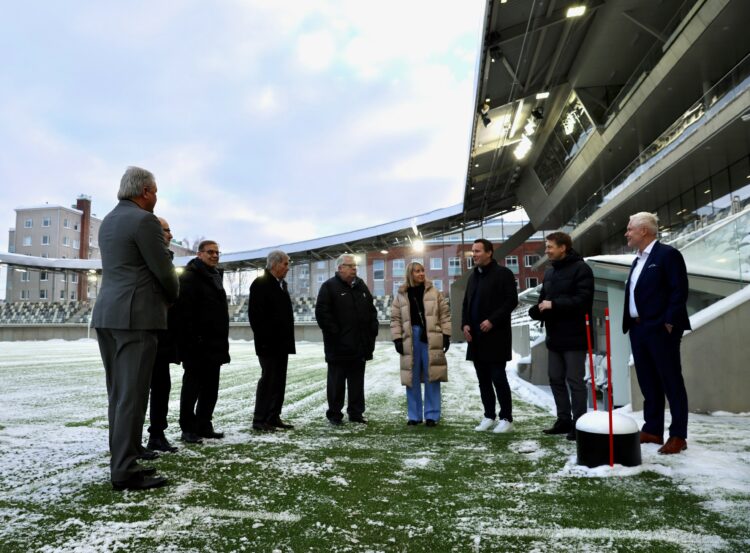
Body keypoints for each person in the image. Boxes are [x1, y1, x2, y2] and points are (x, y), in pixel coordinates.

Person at [92, 166, 178, 491]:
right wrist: (173, 296)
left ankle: (123, 457)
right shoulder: (144, 221)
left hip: (107, 315)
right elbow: (164, 270)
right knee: (132, 395)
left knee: (118, 394)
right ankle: (124, 471)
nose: (156, 197)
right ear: (144, 192)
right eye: (155, 191)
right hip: (136, 317)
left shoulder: (109, 221)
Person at [623, 212, 690, 455]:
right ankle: (652, 429)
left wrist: (670, 322)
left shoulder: (667, 255)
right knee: (648, 381)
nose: (626, 233)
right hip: (638, 329)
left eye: (630, 229)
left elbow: (678, 290)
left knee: (671, 381)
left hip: (660, 329)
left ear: (644, 231)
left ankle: (678, 435)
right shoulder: (637, 259)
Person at [529, 232, 594, 441]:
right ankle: (564, 420)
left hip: (575, 336)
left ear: (563, 247)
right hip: (554, 336)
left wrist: (554, 305)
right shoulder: (549, 273)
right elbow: (544, 300)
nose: (546, 251)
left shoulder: (582, 268)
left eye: (549, 247)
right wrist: (536, 310)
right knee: (555, 379)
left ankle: (580, 424)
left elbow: (583, 300)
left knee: (575, 381)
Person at [176, 240, 230, 443]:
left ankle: (204, 424)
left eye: (217, 252)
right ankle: (187, 428)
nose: (215, 255)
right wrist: (193, 340)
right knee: (192, 388)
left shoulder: (215, 276)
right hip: (196, 345)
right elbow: (185, 313)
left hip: (214, 344)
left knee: (211, 388)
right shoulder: (190, 277)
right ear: (199, 254)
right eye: (210, 252)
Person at [461, 238, 518, 433]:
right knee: (483, 379)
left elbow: (511, 301)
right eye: (472, 251)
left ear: (489, 252)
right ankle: (488, 415)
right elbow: (466, 304)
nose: (474, 254)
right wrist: (465, 324)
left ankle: (506, 418)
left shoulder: (503, 274)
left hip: (496, 337)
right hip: (476, 338)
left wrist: (492, 320)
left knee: (498, 377)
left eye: (477, 251)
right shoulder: (473, 276)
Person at [315, 254, 379, 425]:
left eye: (355, 266)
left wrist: (373, 330)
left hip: (360, 345)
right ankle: (335, 414)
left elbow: (372, 311)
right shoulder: (328, 287)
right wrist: (336, 334)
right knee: (336, 382)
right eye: (350, 266)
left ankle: (356, 413)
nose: (354, 269)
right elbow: (322, 314)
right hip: (338, 347)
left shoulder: (361, 286)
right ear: (340, 268)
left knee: (357, 382)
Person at [390, 262, 451, 427]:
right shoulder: (401, 294)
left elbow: (445, 314)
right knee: (412, 377)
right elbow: (395, 318)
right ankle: (414, 416)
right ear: (410, 273)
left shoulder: (434, 292)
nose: (421, 274)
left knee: (433, 375)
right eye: (417, 271)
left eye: (423, 270)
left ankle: (432, 416)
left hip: (431, 336)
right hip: (410, 337)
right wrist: (397, 339)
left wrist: (446, 335)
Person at [249, 250, 296, 432]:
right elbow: (256, 317)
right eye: (285, 264)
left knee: (279, 381)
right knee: (268, 380)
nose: (288, 267)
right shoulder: (261, 284)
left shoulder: (280, 285)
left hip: (281, 343)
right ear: (275, 264)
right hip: (268, 344)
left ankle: (273, 416)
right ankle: (259, 419)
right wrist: (265, 341)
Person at [145, 217, 180, 453]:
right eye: (166, 230)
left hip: (162, 336)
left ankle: (157, 433)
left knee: (161, 387)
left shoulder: (165, 259)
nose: (170, 235)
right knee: (139, 390)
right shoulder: (148, 258)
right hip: (146, 331)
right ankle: (131, 440)